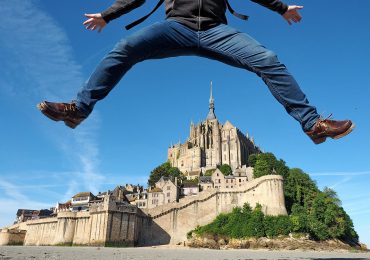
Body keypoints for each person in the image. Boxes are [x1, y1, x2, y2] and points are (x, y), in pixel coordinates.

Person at [37, 0, 354, 144]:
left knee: (268, 59)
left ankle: (313, 125)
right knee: (125, 48)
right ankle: (79, 109)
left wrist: (280, 8)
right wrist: (108, 15)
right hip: (177, 27)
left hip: (217, 31)